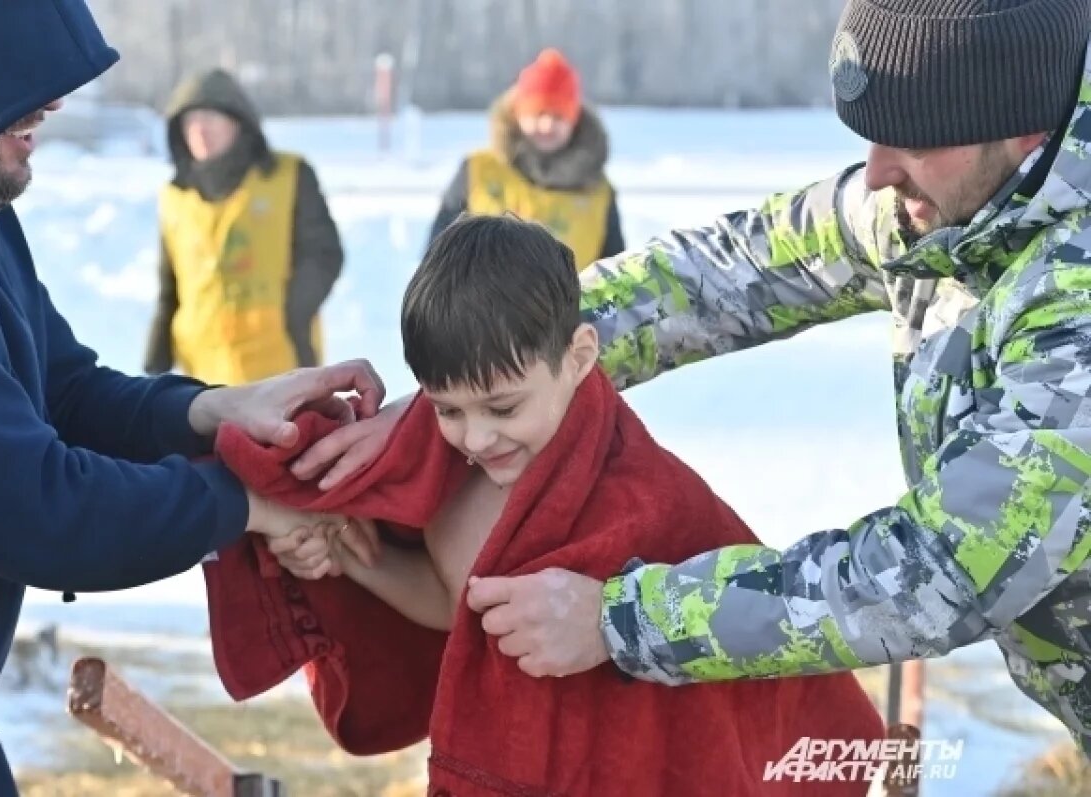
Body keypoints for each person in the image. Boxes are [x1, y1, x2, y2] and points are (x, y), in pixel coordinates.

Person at [291, 0, 1091, 761]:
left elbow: (938, 571)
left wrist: (623, 622)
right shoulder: (948, 192)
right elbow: (726, 270)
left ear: (1020, 128)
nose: (876, 174)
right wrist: (488, 375)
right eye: (871, 137)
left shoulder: (1076, 299)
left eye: (912, 141)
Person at [0, 1, 378, 793]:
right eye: (25, 77)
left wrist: (213, 413)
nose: (53, 105)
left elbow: (65, 393)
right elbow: (37, 507)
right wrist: (246, 501)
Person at [255, 215, 882, 796]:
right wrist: (363, 563)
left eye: (503, 408)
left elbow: (747, 683)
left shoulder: (646, 501)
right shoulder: (453, 485)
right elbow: (463, 608)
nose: (475, 439)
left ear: (579, 358)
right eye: (446, 410)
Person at [143, 68, 343, 384]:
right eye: (190, 121)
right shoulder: (175, 196)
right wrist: (157, 359)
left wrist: (295, 314)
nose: (200, 131)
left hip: (280, 367)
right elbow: (170, 285)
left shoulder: (288, 177)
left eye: (211, 118)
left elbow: (324, 254)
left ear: (238, 121)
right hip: (202, 377)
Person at [427, 48, 625, 270]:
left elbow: (615, 275)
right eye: (538, 114)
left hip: (570, 305)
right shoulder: (477, 170)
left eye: (558, 116)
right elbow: (437, 257)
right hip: (481, 304)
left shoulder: (598, 191)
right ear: (518, 114)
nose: (547, 126)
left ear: (574, 120)